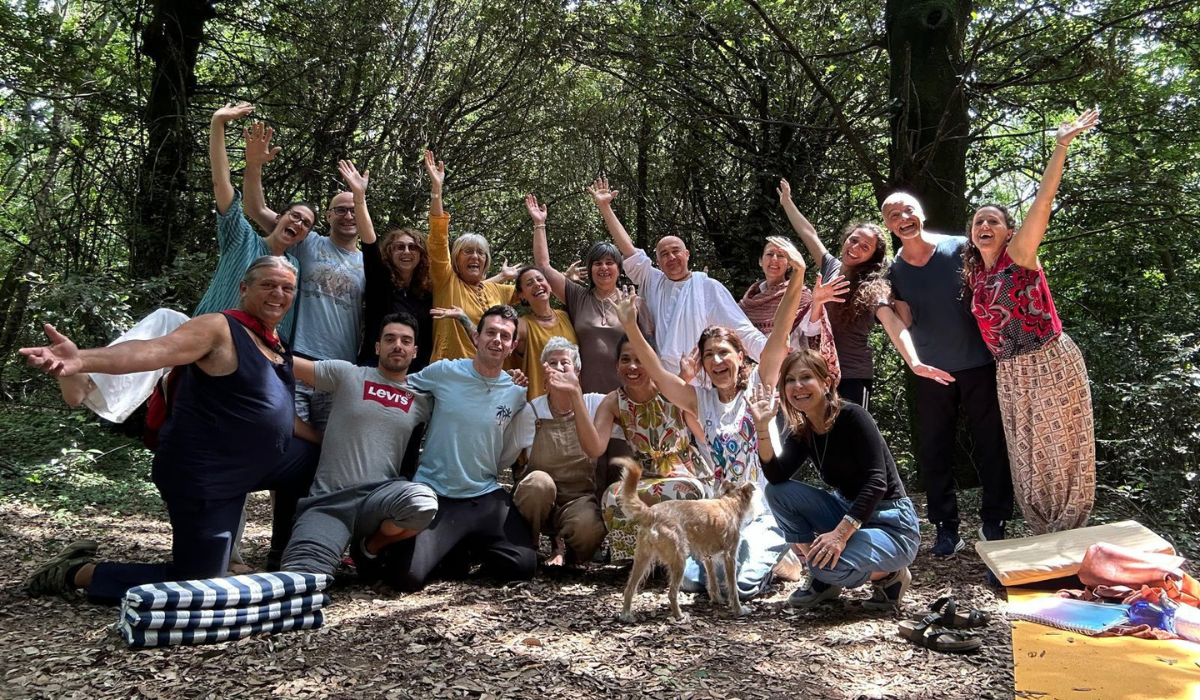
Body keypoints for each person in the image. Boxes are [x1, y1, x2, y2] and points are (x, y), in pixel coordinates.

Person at [21, 257, 319, 603]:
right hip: (206, 476)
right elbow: (152, 351)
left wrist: (323, 439)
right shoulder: (217, 328)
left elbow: (278, 413)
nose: (278, 294)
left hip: (263, 464)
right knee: (197, 580)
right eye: (268, 284)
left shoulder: (274, 343)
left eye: (287, 288)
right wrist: (82, 360)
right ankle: (76, 572)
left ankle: (284, 555)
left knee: (312, 459)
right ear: (244, 288)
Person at [609, 239, 834, 599]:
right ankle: (773, 558)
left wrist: (799, 275)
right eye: (709, 355)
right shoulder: (700, 400)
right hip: (718, 513)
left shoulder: (760, 385)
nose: (717, 361)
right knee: (691, 582)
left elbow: (779, 332)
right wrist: (631, 327)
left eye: (724, 353)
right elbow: (657, 372)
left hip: (760, 508)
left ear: (741, 357)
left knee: (738, 587)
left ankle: (781, 553)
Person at [963, 109, 1100, 535]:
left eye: (994, 220)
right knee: (1028, 455)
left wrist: (1061, 145)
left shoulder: (1018, 257)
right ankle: (1043, 531)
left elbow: (1043, 200)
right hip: (1010, 372)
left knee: (1061, 448)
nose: (985, 225)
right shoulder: (976, 275)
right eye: (978, 221)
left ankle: (1070, 530)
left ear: (1008, 231)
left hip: (1048, 360)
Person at [882, 191, 1014, 555]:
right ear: (888, 225)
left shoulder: (960, 247)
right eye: (894, 215)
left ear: (921, 212)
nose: (903, 218)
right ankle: (946, 528)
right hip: (931, 371)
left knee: (992, 444)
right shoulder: (895, 269)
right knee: (934, 450)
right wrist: (884, 305)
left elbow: (996, 286)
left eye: (908, 209)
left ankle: (995, 521)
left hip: (980, 363)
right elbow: (906, 321)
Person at [381, 305, 536, 590]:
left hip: (483, 495)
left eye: (504, 336)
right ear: (476, 336)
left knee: (522, 564)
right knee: (406, 578)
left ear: (513, 345)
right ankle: (452, 549)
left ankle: (460, 548)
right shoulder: (444, 372)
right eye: (490, 332)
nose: (496, 340)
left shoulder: (516, 391)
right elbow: (399, 386)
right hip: (435, 493)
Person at [752, 350, 920, 609]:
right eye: (789, 380)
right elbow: (776, 476)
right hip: (846, 510)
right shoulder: (805, 431)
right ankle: (822, 575)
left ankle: (890, 576)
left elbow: (877, 482)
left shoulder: (853, 417)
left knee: (829, 566)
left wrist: (839, 536)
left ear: (826, 382)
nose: (797, 386)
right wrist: (762, 427)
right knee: (777, 492)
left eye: (806, 377)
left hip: (892, 524)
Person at [280, 313, 439, 578]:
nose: (397, 345)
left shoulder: (422, 400)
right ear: (378, 347)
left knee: (422, 503)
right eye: (390, 339)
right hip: (329, 503)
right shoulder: (347, 374)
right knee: (301, 579)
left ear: (414, 352)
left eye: (405, 340)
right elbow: (283, 364)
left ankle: (368, 548)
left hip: (379, 499)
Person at [779, 179, 949, 408]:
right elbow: (809, 234)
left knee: (851, 439)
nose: (855, 248)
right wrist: (787, 202)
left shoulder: (872, 287)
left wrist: (914, 361)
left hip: (852, 376)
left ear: (872, 258)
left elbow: (893, 324)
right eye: (853, 240)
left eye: (865, 247)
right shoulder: (830, 267)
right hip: (816, 372)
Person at [245, 127, 371, 434]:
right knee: (287, 435)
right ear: (328, 216)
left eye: (354, 209)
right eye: (340, 210)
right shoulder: (308, 242)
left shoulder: (370, 264)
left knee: (329, 443)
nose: (348, 215)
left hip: (340, 367)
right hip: (297, 357)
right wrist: (254, 165)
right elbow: (256, 209)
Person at [587, 178, 765, 374]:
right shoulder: (652, 280)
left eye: (676, 251)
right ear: (658, 261)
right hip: (660, 380)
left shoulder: (708, 288)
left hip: (699, 381)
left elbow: (741, 329)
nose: (671, 257)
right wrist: (605, 208)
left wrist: (771, 355)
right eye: (664, 254)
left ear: (687, 254)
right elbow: (628, 250)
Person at [572, 334, 708, 561]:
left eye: (640, 359)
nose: (633, 366)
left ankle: (684, 556)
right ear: (617, 366)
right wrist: (576, 397)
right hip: (646, 476)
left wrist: (686, 376)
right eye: (625, 360)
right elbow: (595, 448)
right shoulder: (613, 402)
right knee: (614, 496)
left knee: (677, 492)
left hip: (686, 472)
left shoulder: (670, 388)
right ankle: (637, 559)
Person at [509, 337, 614, 566]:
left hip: (578, 498)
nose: (558, 368)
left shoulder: (595, 404)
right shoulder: (531, 411)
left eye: (564, 363)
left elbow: (628, 405)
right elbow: (504, 454)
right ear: (544, 373)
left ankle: (575, 553)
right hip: (539, 498)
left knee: (590, 529)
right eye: (551, 363)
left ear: (577, 370)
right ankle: (529, 546)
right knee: (538, 484)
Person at [423, 151, 517, 362]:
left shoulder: (496, 290)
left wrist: (562, 277)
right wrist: (436, 189)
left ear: (486, 262)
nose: (475, 256)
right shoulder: (447, 281)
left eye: (480, 253)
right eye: (468, 252)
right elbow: (438, 239)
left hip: (492, 378)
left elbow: (532, 290)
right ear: (456, 259)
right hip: (452, 375)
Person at [737, 235, 841, 385]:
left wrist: (817, 302)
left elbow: (811, 331)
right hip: (753, 375)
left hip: (790, 374)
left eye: (781, 255)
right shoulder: (749, 300)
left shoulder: (800, 294)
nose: (774, 259)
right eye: (769, 254)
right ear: (760, 261)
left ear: (790, 264)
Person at [359, 227, 434, 372]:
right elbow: (369, 245)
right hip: (375, 370)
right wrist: (359, 203)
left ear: (421, 254)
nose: (406, 251)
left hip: (413, 376)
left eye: (413, 247)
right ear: (390, 252)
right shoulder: (379, 282)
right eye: (400, 247)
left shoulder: (426, 293)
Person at [509, 265, 578, 400]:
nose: (536, 284)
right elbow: (496, 342)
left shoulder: (566, 316)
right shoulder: (522, 325)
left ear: (550, 286)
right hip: (540, 408)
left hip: (574, 403)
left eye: (540, 279)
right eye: (529, 283)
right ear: (522, 295)